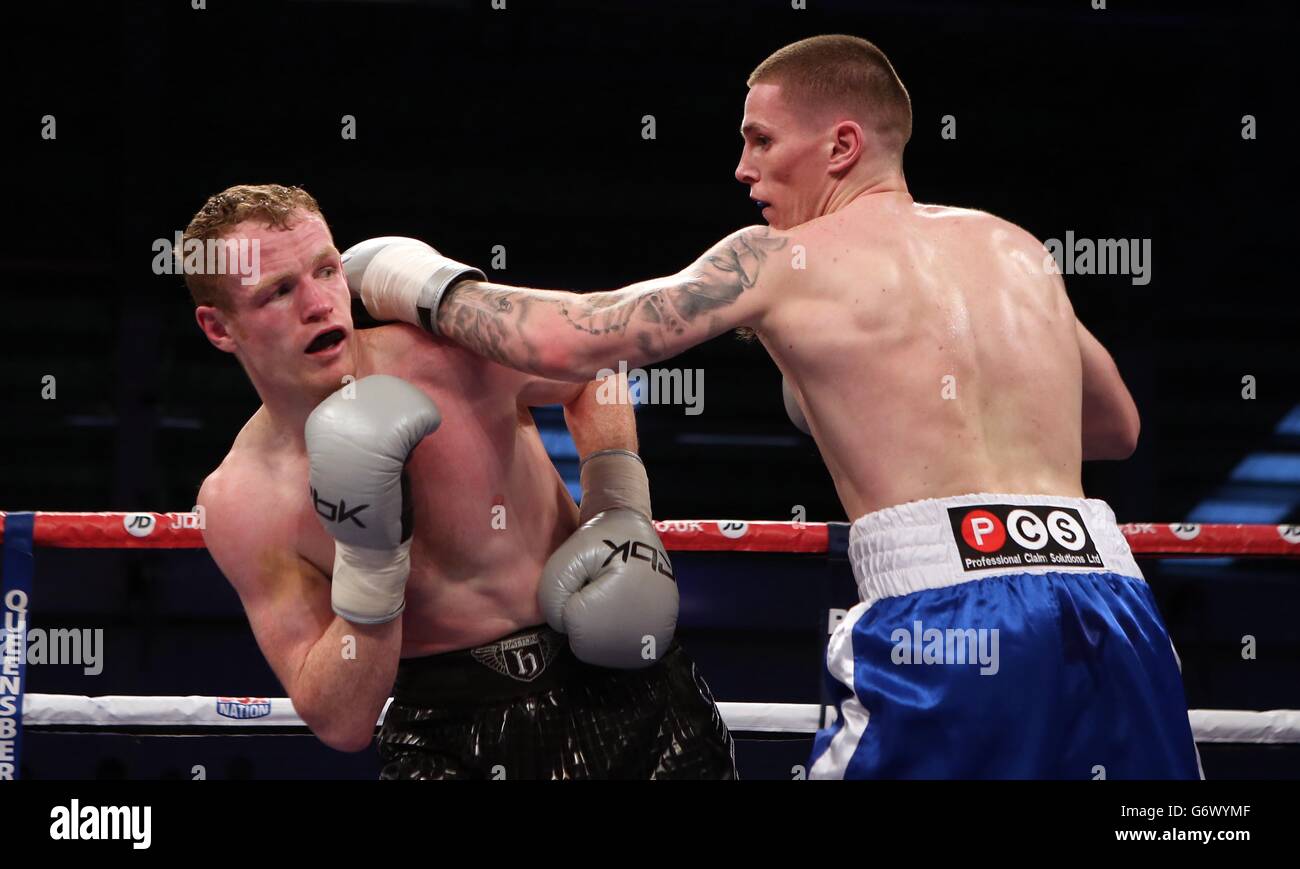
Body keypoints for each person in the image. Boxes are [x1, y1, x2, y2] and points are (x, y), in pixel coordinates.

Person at [342, 35, 1201, 778]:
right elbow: (1117, 425)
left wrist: (417, 282)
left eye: (760, 139)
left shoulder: (780, 258)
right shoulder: (1014, 246)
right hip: (1112, 597)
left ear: (841, 144)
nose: (743, 168)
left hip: (949, 614)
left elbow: (578, 339)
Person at [187, 184, 735, 779]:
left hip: (630, 692)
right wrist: (372, 566)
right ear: (220, 328)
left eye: (325, 269)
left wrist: (616, 501)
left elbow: (594, 365)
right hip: (447, 734)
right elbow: (340, 720)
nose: (319, 304)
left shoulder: (440, 353)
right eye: (279, 292)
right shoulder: (241, 501)